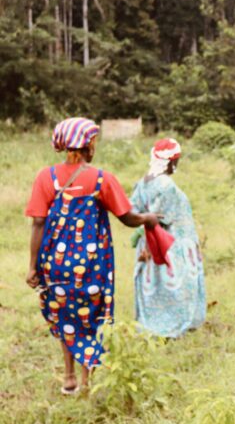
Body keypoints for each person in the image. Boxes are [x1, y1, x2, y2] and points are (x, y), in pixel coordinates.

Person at [25, 118, 160, 395]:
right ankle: (87, 380)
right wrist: (148, 218)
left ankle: (69, 377)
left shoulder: (45, 177)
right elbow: (127, 217)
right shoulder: (101, 178)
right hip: (92, 263)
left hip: (56, 263)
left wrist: (32, 266)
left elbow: (38, 224)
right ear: (89, 144)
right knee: (92, 317)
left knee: (64, 315)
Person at [130, 138, 207, 338]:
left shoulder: (143, 182)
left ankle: (153, 322)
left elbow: (133, 209)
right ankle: (171, 324)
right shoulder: (167, 185)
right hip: (170, 243)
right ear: (171, 161)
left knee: (153, 284)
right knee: (177, 285)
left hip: (149, 243)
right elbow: (163, 217)